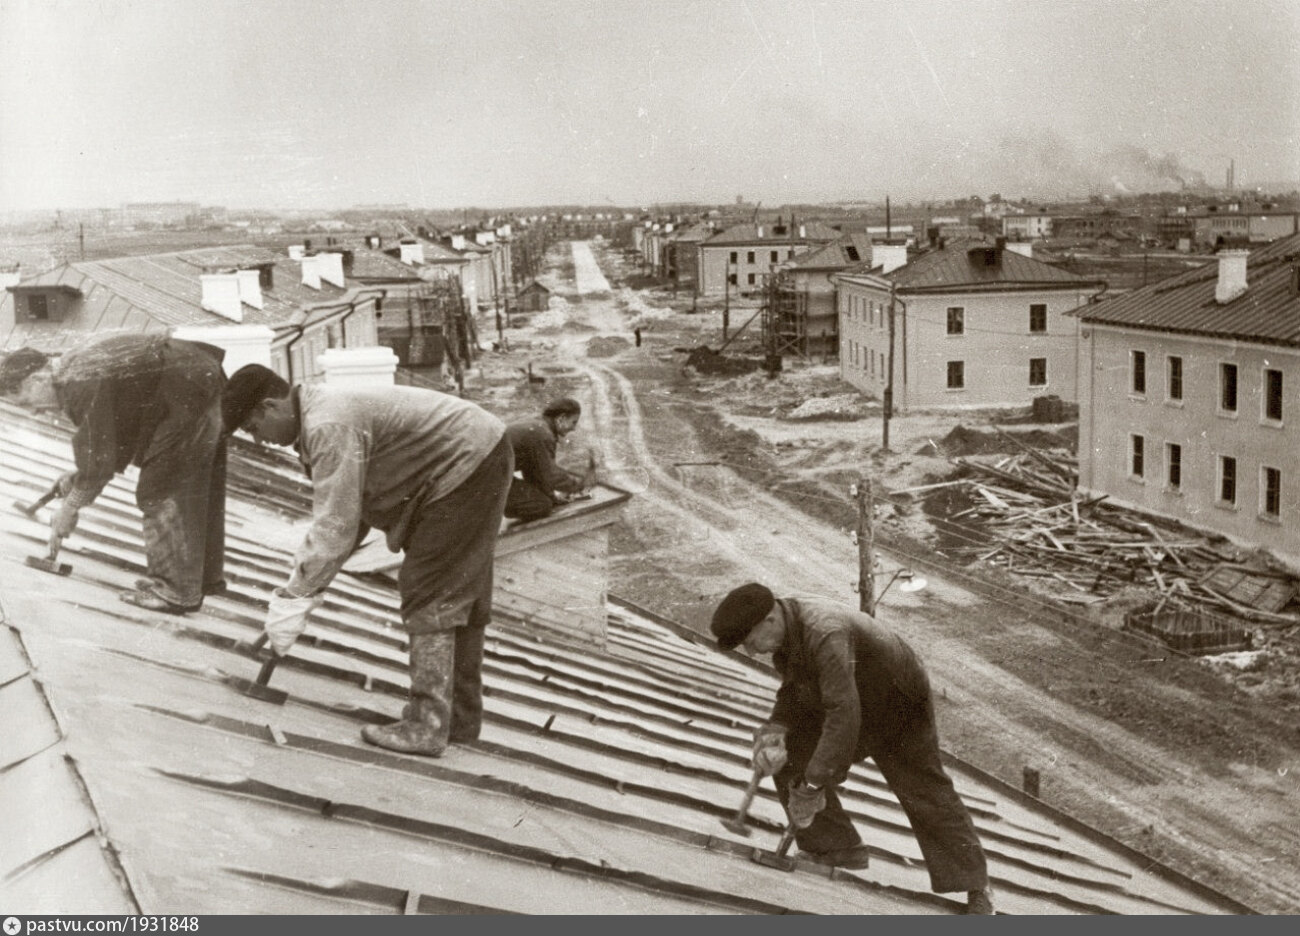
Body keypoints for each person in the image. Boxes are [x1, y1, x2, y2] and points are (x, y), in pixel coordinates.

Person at [222, 364, 512, 757]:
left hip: (465, 463)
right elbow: (352, 518)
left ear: (271, 406)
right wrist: (305, 592)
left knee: (431, 589)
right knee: (460, 590)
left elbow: (336, 525)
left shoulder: (327, 425)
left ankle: (427, 727)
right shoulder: (323, 414)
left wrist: (294, 596)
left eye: (254, 429)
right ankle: (459, 719)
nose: (259, 441)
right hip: (480, 454)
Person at [711, 583, 995, 915]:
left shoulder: (824, 632)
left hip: (897, 699)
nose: (751, 652)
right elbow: (795, 690)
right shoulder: (787, 630)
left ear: (770, 620)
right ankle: (835, 847)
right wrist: (775, 731)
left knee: (923, 788)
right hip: (850, 694)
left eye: (750, 641)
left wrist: (813, 786)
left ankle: (977, 885)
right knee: (789, 750)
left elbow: (843, 716)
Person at [0, 336, 228, 614]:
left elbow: (100, 456)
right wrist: (78, 480)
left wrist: (70, 506)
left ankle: (175, 591)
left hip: (187, 383)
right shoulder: (74, 370)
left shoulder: (77, 382)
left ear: (36, 380)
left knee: (160, 488)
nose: (34, 412)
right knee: (180, 484)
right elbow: (115, 439)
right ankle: (190, 585)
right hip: (193, 376)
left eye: (26, 402)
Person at [503, 397, 596, 523]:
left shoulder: (538, 425)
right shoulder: (543, 434)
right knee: (541, 505)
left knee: (544, 501)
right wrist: (579, 485)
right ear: (561, 418)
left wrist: (552, 497)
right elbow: (550, 475)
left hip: (492, 472)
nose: (574, 428)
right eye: (573, 422)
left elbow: (536, 473)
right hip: (490, 478)